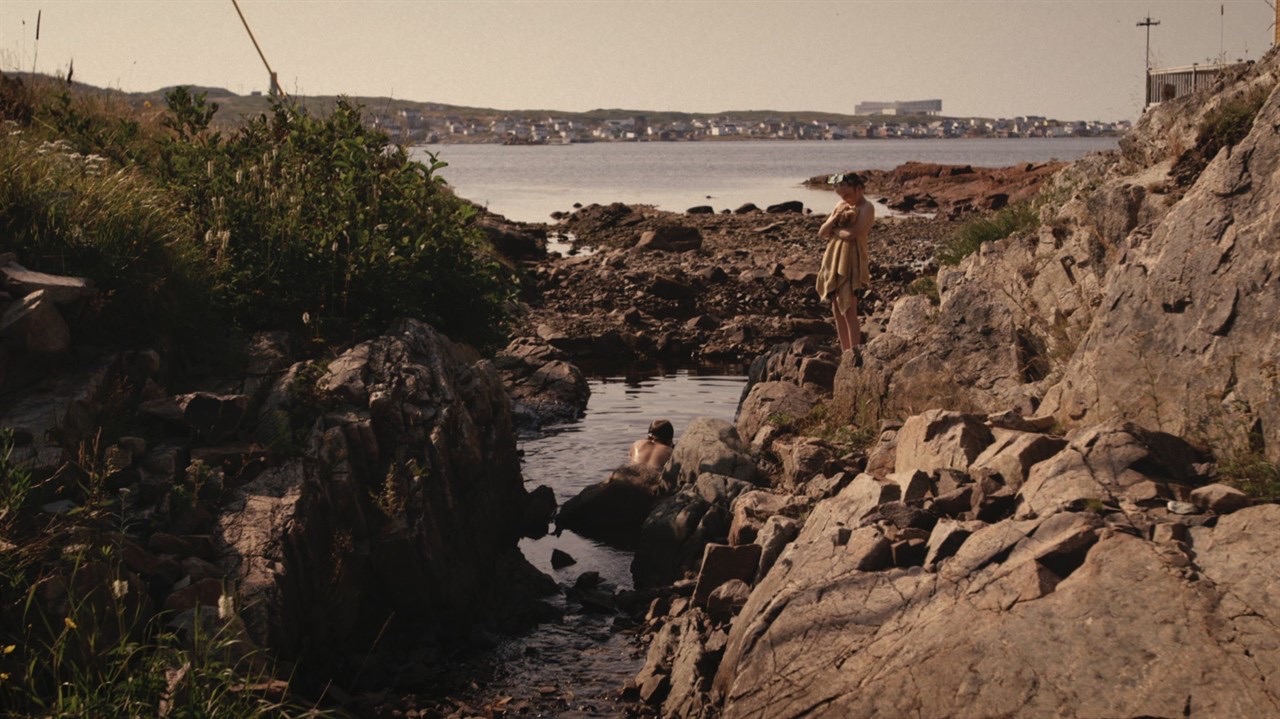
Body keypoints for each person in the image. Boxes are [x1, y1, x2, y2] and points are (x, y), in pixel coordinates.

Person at [815, 171, 875, 353]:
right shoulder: (840, 206)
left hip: (853, 261)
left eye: (847, 194)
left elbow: (852, 234)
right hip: (834, 258)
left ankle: (854, 353)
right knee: (836, 308)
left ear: (859, 188)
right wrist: (834, 219)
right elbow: (822, 232)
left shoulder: (867, 207)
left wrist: (835, 230)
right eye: (841, 195)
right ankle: (845, 352)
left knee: (849, 308)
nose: (844, 198)